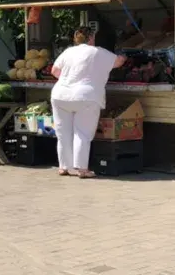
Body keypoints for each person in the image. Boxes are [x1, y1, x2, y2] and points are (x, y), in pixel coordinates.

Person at [50, 27, 127, 178]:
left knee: (63, 133)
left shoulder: (68, 52)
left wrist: (70, 81)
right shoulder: (97, 51)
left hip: (60, 94)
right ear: (91, 38)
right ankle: (82, 170)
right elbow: (118, 62)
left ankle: (63, 167)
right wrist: (124, 56)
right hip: (86, 96)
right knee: (83, 133)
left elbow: (54, 71)